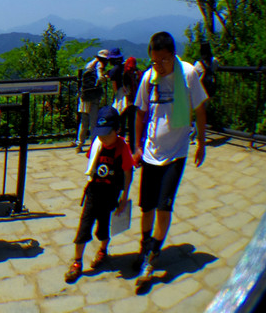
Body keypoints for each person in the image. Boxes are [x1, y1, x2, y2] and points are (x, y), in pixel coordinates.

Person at [131, 31, 208, 291]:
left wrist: (201, 143)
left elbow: (199, 109)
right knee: (146, 207)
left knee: (164, 207)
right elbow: (140, 112)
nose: (159, 66)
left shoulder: (188, 75)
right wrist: (136, 147)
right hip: (151, 152)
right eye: (154, 61)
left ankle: (151, 259)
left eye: (163, 60)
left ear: (173, 55)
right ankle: (145, 246)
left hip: (176, 153)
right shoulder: (149, 77)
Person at [65, 105, 134, 283]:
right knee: (84, 226)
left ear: (117, 130)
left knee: (104, 227)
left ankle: (103, 250)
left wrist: (124, 197)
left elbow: (128, 172)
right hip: (94, 193)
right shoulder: (97, 144)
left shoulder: (122, 148)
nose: (103, 138)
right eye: (100, 134)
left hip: (111, 194)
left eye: (106, 134)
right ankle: (77, 261)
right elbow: (91, 162)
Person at [76, 50, 110, 152]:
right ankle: (93, 145)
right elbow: (100, 78)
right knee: (93, 122)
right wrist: (105, 77)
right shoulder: (99, 65)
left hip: (84, 95)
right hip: (93, 96)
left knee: (83, 121)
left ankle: (79, 143)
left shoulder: (89, 64)